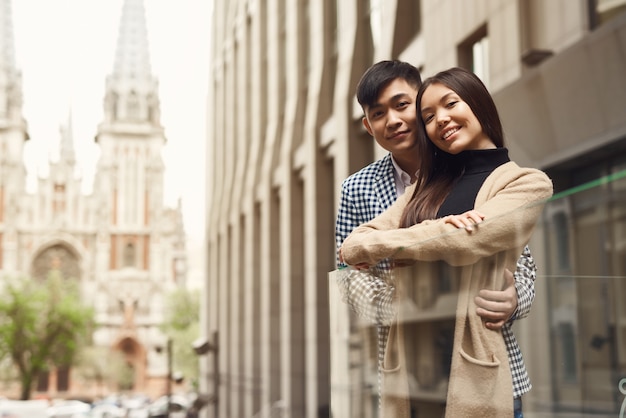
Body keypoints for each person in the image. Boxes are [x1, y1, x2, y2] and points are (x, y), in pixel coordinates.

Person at [340, 67, 553, 417]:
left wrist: (514, 299)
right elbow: (350, 251)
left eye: (450, 104)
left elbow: (474, 245)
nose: (440, 119)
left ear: (478, 103)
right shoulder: (426, 185)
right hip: (410, 375)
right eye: (429, 116)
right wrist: (400, 302)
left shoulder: (528, 183)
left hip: (480, 370)